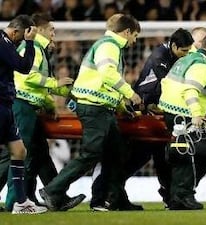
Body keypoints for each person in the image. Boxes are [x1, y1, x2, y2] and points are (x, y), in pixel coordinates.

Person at [39, 14, 142, 211]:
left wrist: (121, 107)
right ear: (127, 32)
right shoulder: (109, 45)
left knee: (117, 153)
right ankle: (53, 190)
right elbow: (107, 74)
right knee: (91, 153)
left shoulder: (110, 46)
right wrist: (131, 93)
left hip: (102, 108)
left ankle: (111, 199)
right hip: (94, 107)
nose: (134, 41)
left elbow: (106, 84)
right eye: (135, 35)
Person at [4, 13, 86, 211]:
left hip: (28, 107)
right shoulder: (34, 49)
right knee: (23, 155)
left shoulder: (39, 50)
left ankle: (55, 197)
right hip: (22, 106)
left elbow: (40, 86)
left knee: (40, 153)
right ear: (39, 30)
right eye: (51, 30)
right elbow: (29, 77)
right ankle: (15, 202)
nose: (54, 34)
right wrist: (55, 83)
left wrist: (52, 101)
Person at [159, 33, 206, 210]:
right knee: (191, 155)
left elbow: (167, 82)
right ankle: (183, 196)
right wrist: (196, 113)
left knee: (184, 154)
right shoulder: (202, 67)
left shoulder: (188, 59)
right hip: (184, 113)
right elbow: (190, 90)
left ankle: (176, 196)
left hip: (170, 110)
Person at [132, 28, 194, 207]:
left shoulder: (173, 54)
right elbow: (167, 84)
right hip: (145, 106)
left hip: (156, 108)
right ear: (174, 46)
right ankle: (112, 192)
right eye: (184, 51)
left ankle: (170, 197)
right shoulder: (160, 57)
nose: (186, 55)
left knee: (159, 154)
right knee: (144, 155)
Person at [0, 15, 48, 214]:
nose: (22, 41)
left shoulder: (6, 43)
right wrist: (29, 43)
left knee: (19, 151)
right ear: (18, 31)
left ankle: (21, 203)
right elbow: (24, 67)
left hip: (6, 105)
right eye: (24, 36)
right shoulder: (3, 42)